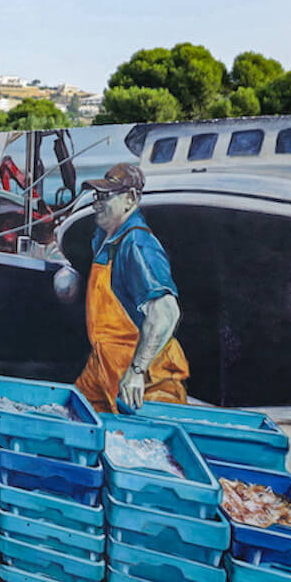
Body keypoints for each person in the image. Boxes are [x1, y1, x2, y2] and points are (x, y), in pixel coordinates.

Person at [72, 162, 189, 412]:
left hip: (146, 380)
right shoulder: (105, 240)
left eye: (105, 196)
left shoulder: (137, 244)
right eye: (96, 196)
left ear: (131, 198)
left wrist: (137, 371)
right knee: (73, 415)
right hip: (103, 365)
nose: (96, 204)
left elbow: (167, 313)